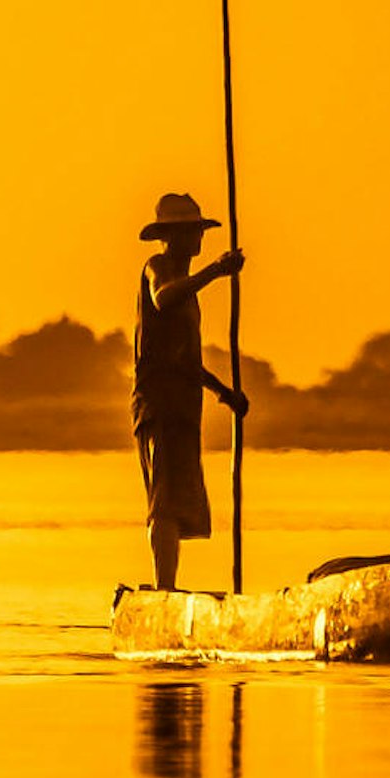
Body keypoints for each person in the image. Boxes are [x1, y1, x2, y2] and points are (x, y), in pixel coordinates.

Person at [134, 191, 250, 591]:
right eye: (187, 232)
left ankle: (170, 587)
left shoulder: (190, 295)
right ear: (168, 237)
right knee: (163, 502)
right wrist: (216, 273)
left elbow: (185, 360)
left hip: (185, 405)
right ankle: (163, 588)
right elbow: (163, 299)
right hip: (159, 405)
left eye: (198, 231)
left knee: (182, 503)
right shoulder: (157, 268)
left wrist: (224, 392)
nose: (196, 239)